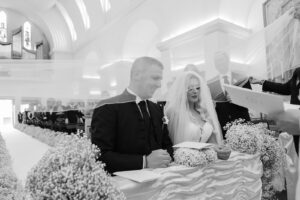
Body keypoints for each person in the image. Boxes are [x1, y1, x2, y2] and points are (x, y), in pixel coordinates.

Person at [91, 56, 173, 174]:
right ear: (136, 75)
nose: (159, 85)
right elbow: (100, 156)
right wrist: (145, 161)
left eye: (160, 79)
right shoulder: (107, 107)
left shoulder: (156, 109)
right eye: (155, 78)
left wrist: (166, 156)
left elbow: (167, 144)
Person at [165, 71, 223, 145]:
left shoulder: (203, 111)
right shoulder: (173, 111)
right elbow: (170, 141)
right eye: (190, 88)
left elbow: (212, 141)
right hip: (184, 155)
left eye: (198, 88)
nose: (195, 91)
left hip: (207, 154)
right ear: (182, 90)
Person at [250, 67, 300, 152]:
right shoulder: (296, 75)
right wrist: (262, 82)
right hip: (295, 121)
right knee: (297, 147)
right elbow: (283, 88)